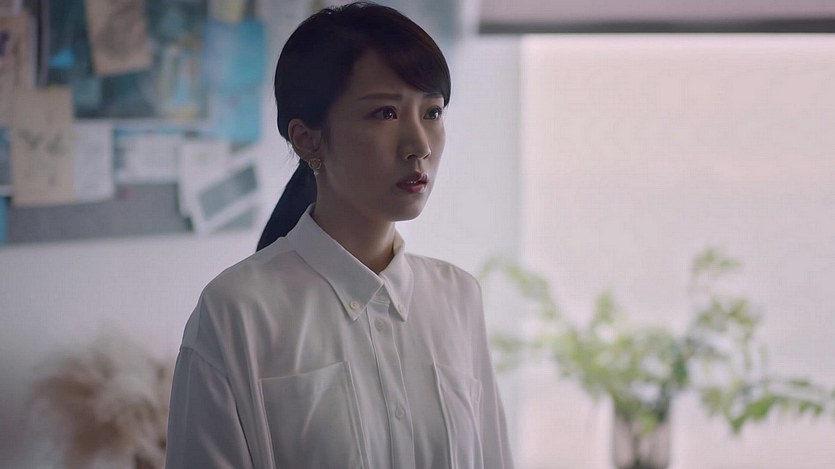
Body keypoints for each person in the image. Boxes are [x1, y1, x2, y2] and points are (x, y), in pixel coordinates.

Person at [166, 2, 513, 468]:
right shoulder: (237, 311)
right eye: (385, 113)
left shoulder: (458, 297)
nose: (419, 145)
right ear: (308, 139)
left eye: (432, 112)